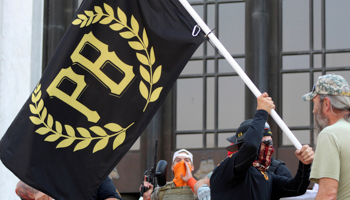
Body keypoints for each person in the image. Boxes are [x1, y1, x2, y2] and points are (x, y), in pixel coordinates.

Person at [196, 92, 314, 200]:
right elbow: (250, 147)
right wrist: (262, 112)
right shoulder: (230, 166)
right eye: (264, 143)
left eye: (270, 143)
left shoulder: (268, 175)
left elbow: (297, 188)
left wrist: (305, 164)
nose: (269, 148)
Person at [302, 74, 350, 200]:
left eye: (315, 103)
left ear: (326, 104)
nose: (313, 111)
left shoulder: (330, 134)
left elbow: (328, 195)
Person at [15, 176, 122, 200]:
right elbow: (20, 187)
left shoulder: (96, 174)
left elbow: (111, 196)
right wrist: (36, 193)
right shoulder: (46, 168)